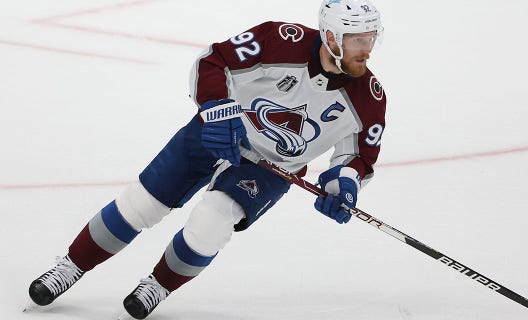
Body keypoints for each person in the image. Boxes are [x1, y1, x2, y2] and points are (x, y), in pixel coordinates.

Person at [28, 0, 387, 318]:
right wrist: (217, 110)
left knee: (211, 223)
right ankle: (70, 267)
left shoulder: (370, 99)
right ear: (330, 36)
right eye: (357, 39)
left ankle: (159, 285)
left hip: (270, 170)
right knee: (140, 205)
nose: (366, 49)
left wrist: (344, 185)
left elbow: (358, 157)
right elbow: (213, 62)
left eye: (370, 38)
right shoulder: (281, 39)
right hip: (217, 132)